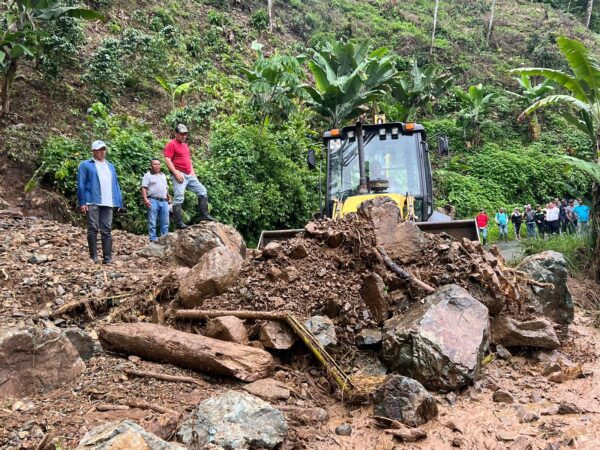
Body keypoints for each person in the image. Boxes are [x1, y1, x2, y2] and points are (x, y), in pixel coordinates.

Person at [77, 140, 124, 264]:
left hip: (108, 201)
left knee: (107, 229)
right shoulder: (85, 165)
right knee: (93, 227)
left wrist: (119, 201)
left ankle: (107, 258)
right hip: (92, 200)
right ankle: (93, 256)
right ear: (93, 151)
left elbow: (116, 184)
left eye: (104, 149)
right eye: (99, 150)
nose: (102, 152)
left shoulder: (110, 166)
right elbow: (81, 184)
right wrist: (82, 202)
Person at [163, 124, 214, 228]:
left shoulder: (185, 145)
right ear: (176, 134)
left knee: (202, 191)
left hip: (189, 174)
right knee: (179, 198)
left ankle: (204, 215)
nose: (184, 136)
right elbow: (167, 159)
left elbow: (188, 161)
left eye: (185, 134)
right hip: (179, 174)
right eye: (181, 134)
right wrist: (176, 173)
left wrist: (193, 174)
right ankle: (179, 223)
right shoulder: (171, 144)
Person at [141, 159, 171, 242]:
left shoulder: (163, 175)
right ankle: (153, 239)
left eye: (158, 164)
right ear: (151, 166)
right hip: (153, 200)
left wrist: (168, 196)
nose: (157, 166)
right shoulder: (147, 175)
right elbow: (144, 188)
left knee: (165, 222)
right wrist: (145, 199)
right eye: (155, 164)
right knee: (152, 221)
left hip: (164, 201)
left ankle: (164, 238)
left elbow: (165, 187)